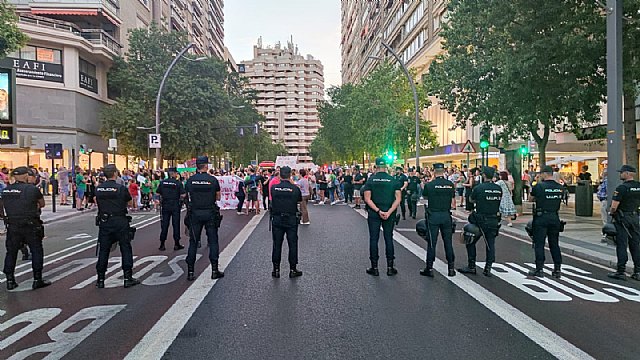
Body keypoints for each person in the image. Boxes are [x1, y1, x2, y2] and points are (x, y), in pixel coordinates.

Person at [2, 167, 49, 290]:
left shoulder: (6, 190)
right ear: (26, 176)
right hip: (30, 224)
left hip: (13, 225)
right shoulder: (32, 189)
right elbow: (42, 204)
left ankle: (10, 280)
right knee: (36, 250)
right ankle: (37, 279)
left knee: (11, 252)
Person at [94, 164, 139, 288]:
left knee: (104, 250)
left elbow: (96, 201)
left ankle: (100, 279)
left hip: (105, 221)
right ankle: (127, 277)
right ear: (115, 173)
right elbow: (130, 203)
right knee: (125, 248)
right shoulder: (120, 188)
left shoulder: (99, 189)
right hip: (119, 220)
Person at [185, 156, 224, 281]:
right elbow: (218, 197)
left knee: (193, 242)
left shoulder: (191, 180)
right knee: (213, 241)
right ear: (206, 166)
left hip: (195, 213)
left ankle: (190, 272)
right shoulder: (212, 180)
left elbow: (186, 195)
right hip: (210, 212)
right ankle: (214, 270)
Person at [459, 167, 502, 276]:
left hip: (480, 219)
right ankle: (488, 268)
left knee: (470, 241)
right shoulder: (498, 188)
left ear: (483, 176)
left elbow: (471, 199)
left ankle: (471, 266)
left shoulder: (479, 188)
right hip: (493, 219)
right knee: (490, 244)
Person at [363, 158, 402, 276]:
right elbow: (398, 199)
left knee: (374, 239)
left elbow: (367, 198)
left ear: (375, 167)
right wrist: (389, 212)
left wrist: (378, 210)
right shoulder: (393, 180)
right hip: (389, 213)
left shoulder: (370, 180)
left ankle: (374, 267)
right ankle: (390, 267)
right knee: (388, 238)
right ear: (386, 166)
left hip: (374, 213)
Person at [420, 163, 457, 277]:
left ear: (434, 172)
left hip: (433, 216)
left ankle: (429, 268)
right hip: (446, 215)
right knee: (448, 242)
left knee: (432, 243)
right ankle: (451, 268)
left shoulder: (430, 185)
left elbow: (425, 197)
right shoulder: (450, 185)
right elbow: (452, 199)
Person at [528, 165, 564, 278]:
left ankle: (539, 268)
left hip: (541, 217)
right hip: (554, 217)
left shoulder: (539, 186)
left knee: (539, 243)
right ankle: (557, 269)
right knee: (554, 244)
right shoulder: (560, 187)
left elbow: (530, 199)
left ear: (544, 174)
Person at [607, 165, 640, 281]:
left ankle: (621, 271)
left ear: (627, 173)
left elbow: (614, 206)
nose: (620, 174)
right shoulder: (638, 186)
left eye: (622, 172)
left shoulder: (621, 188)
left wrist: (611, 213)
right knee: (635, 244)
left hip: (623, 218)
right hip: (635, 217)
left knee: (621, 244)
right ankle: (638, 271)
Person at [270, 166, 303, 278]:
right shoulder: (295, 189)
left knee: (277, 244)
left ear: (280, 175)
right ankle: (292, 269)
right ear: (290, 175)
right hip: (291, 219)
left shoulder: (274, 188)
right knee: (292, 244)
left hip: (277, 218)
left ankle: (276, 269)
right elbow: (299, 201)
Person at [157, 168, 186, 251]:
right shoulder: (178, 183)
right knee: (176, 224)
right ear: (173, 174)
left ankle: (162, 244)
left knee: (164, 224)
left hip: (165, 205)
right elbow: (183, 194)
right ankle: (176, 244)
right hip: (175, 205)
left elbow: (158, 192)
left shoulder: (163, 182)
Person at [597, 169, 609, 242]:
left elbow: (607, 191)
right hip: (604, 200)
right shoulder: (605, 181)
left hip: (605, 201)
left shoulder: (607, 181)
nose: (601, 175)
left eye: (602, 173)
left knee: (605, 219)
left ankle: (606, 234)